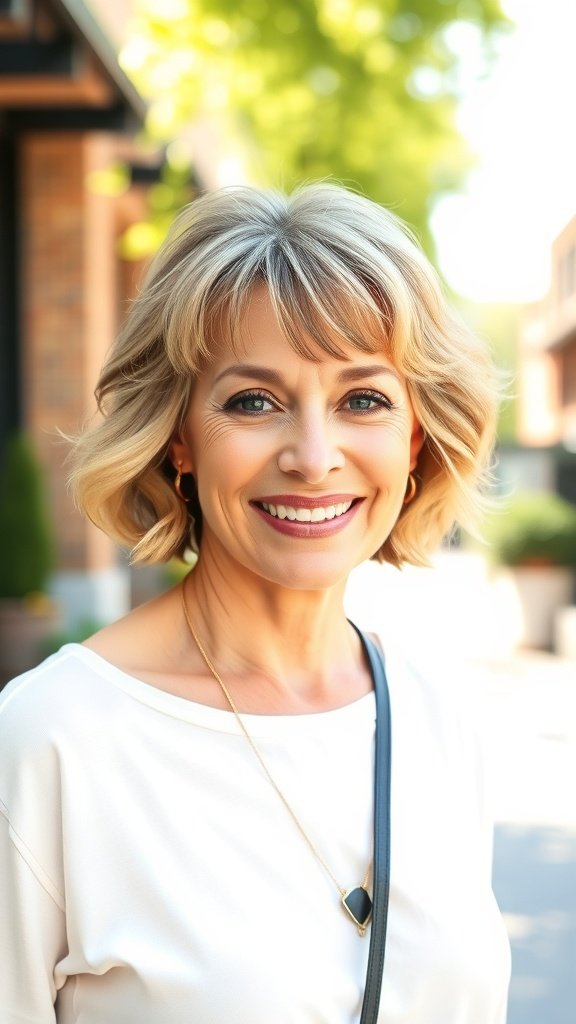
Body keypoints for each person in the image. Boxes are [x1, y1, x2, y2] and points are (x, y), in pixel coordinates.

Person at [0, 183, 510, 1023]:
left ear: (414, 439)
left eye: (363, 399)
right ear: (179, 437)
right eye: (254, 401)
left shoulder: (437, 716)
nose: (314, 457)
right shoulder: (54, 740)